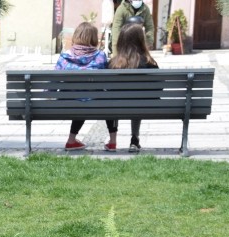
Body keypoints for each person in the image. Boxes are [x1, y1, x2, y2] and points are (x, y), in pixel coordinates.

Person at [54, 22, 113, 151]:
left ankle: (71, 140)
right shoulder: (100, 57)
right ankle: (113, 141)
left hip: (67, 102)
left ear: (76, 37)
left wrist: (48, 95)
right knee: (102, 100)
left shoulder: (64, 57)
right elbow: (107, 82)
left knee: (80, 97)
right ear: (93, 38)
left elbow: (52, 84)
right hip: (94, 102)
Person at [106, 23, 159, 152]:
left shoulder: (113, 64)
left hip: (117, 106)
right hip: (142, 106)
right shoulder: (149, 63)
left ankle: (113, 140)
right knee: (138, 101)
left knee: (111, 101)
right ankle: (134, 139)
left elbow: (107, 90)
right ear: (141, 41)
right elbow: (157, 90)